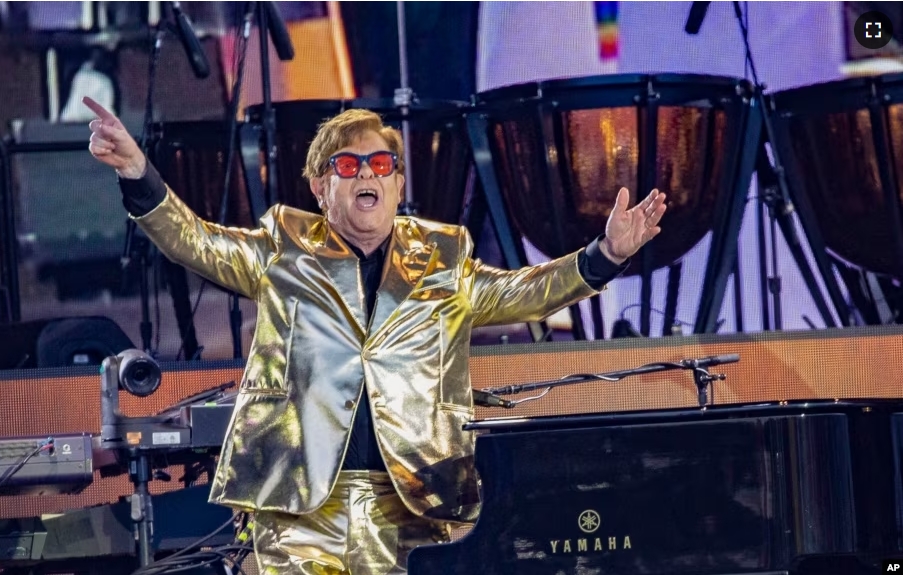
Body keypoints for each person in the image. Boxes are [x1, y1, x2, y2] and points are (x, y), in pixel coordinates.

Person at [82, 95, 666, 575]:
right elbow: (194, 240)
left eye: (381, 165)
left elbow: (527, 291)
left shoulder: (445, 258)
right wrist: (140, 175)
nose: (368, 173)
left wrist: (606, 254)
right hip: (299, 508)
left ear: (397, 182)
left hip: (414, 503)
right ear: (319, 185)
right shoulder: (282, 250)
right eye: (349, 165)